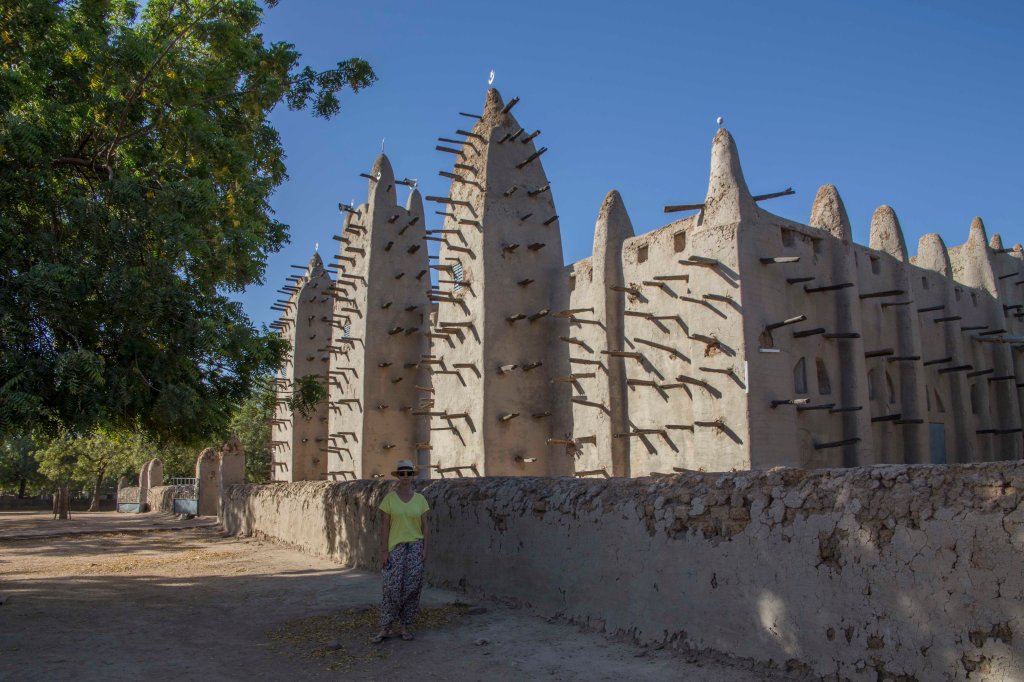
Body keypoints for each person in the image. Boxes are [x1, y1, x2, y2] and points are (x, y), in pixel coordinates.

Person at [372, 459, 430, 643]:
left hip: (415, 546)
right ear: (398, 476)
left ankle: (405, 626)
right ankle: (385, 626)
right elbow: (384, 527)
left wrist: (425, 548)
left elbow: (425, 526)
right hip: (395, 547)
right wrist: (383, 550)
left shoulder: (420, 499)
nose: (406, 477)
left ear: (412, 476)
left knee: (412, 586)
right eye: (402, 473)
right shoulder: (389, 499)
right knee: (392, 587)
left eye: (409, 473)